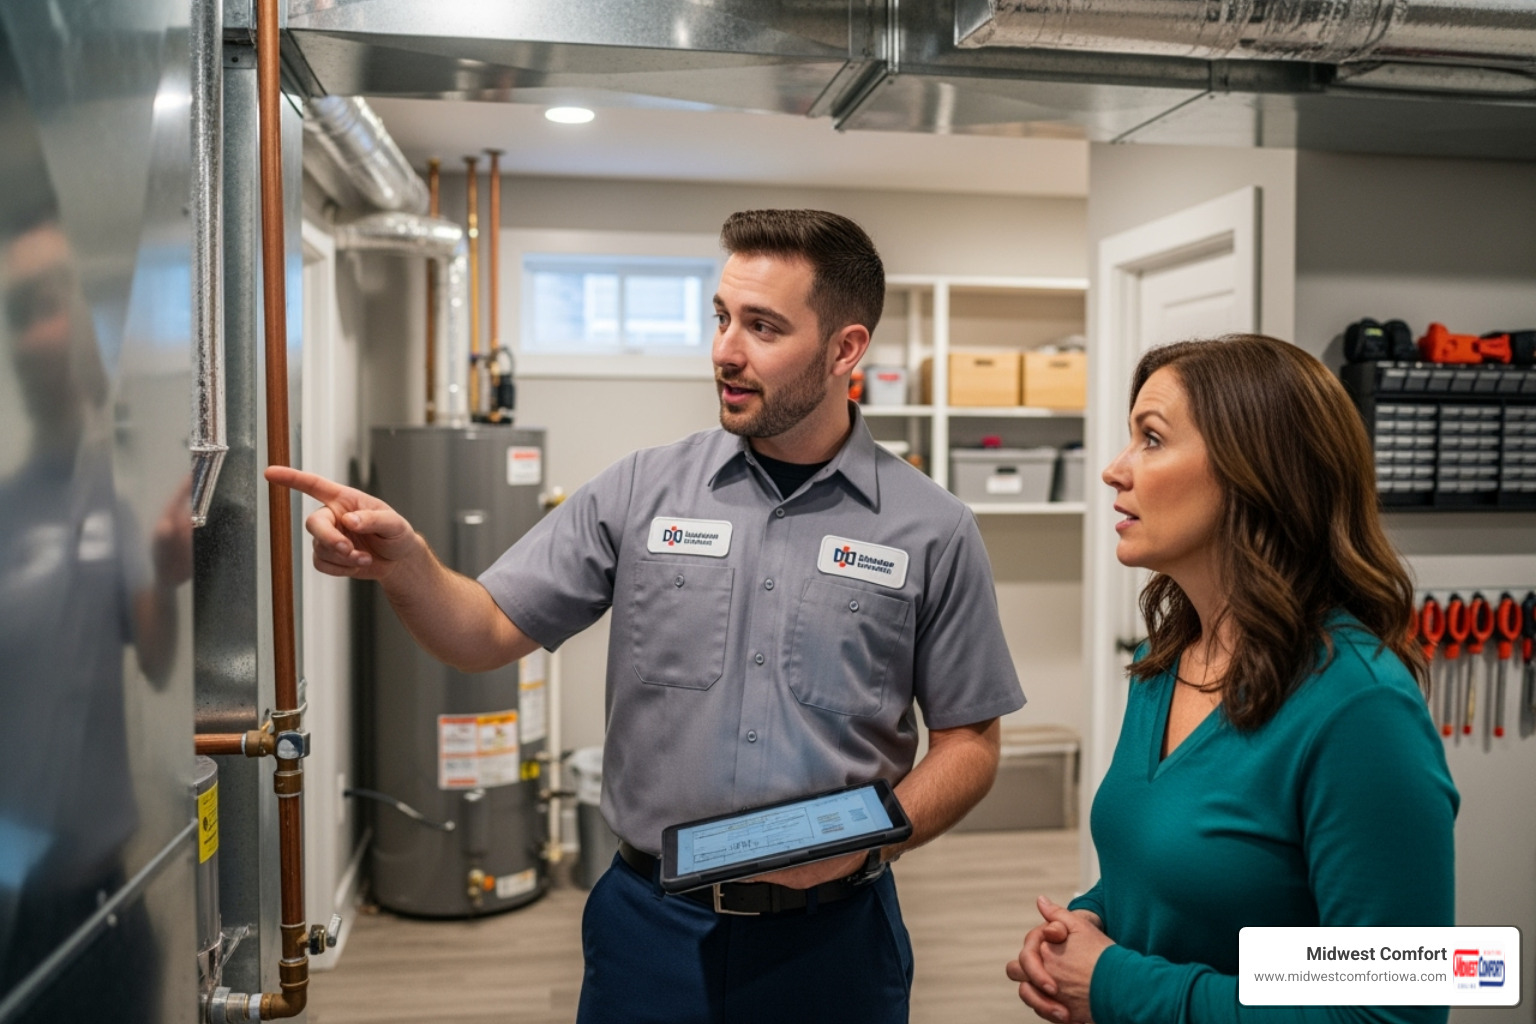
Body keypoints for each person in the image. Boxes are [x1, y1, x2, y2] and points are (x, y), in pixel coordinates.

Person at [270, 209, 1025, 1023]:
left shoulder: (932, 528)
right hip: (650, 933)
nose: (726, 351)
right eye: (723, 317)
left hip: (834, 945)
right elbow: (482, 630)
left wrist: (876, 833)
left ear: (846, 350)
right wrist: (407, 564)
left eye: (763, 327)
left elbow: (969, 743)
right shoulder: (640, 490)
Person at [1007, 335, 1458, 1024]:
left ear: (1256, 472)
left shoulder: (1360, 707)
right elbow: (1173, 882)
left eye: (1151, 439)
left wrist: (1114, 984)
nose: (1114, 470)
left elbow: (1386, 1013)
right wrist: (1083, 927)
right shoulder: (1169, 658)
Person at [0, 218, 190, 1021]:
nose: (53, 328)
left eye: (65, 299)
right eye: (28, 308)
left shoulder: (111, 500)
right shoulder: (8, 511)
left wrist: (168, 573)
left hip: (111, 906)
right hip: (17, 922)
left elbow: (152, 660)